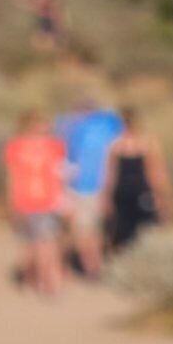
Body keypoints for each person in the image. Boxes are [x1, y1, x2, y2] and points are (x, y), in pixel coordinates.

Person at [53, 94, 123, 280]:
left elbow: (66, 158)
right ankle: (94, 265)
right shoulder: (110, 124)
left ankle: (90, 267)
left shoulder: (73, 127)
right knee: (94, 229)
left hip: (81, 186)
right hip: (105, 187)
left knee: (82, 230)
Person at [1, 110, 67, 298]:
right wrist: (11, 203)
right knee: (34, 243)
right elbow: (12, 177)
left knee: (48, 242)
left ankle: (49, 280)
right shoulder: (15, 146)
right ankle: (41, 279)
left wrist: (64, 201)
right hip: (26, 201)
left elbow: (60, 174)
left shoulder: (55, 146)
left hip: (49, 201)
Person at [101, 114, 173, 259]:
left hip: (142, 193)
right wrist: (106, 198)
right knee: (122, 233)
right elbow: (110, 174)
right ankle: (125, 264)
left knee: (148, 230)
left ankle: (145, 261)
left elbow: (155, 172)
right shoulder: (115, 145)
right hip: (122, 195)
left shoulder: (146, 143)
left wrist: (162, 196)